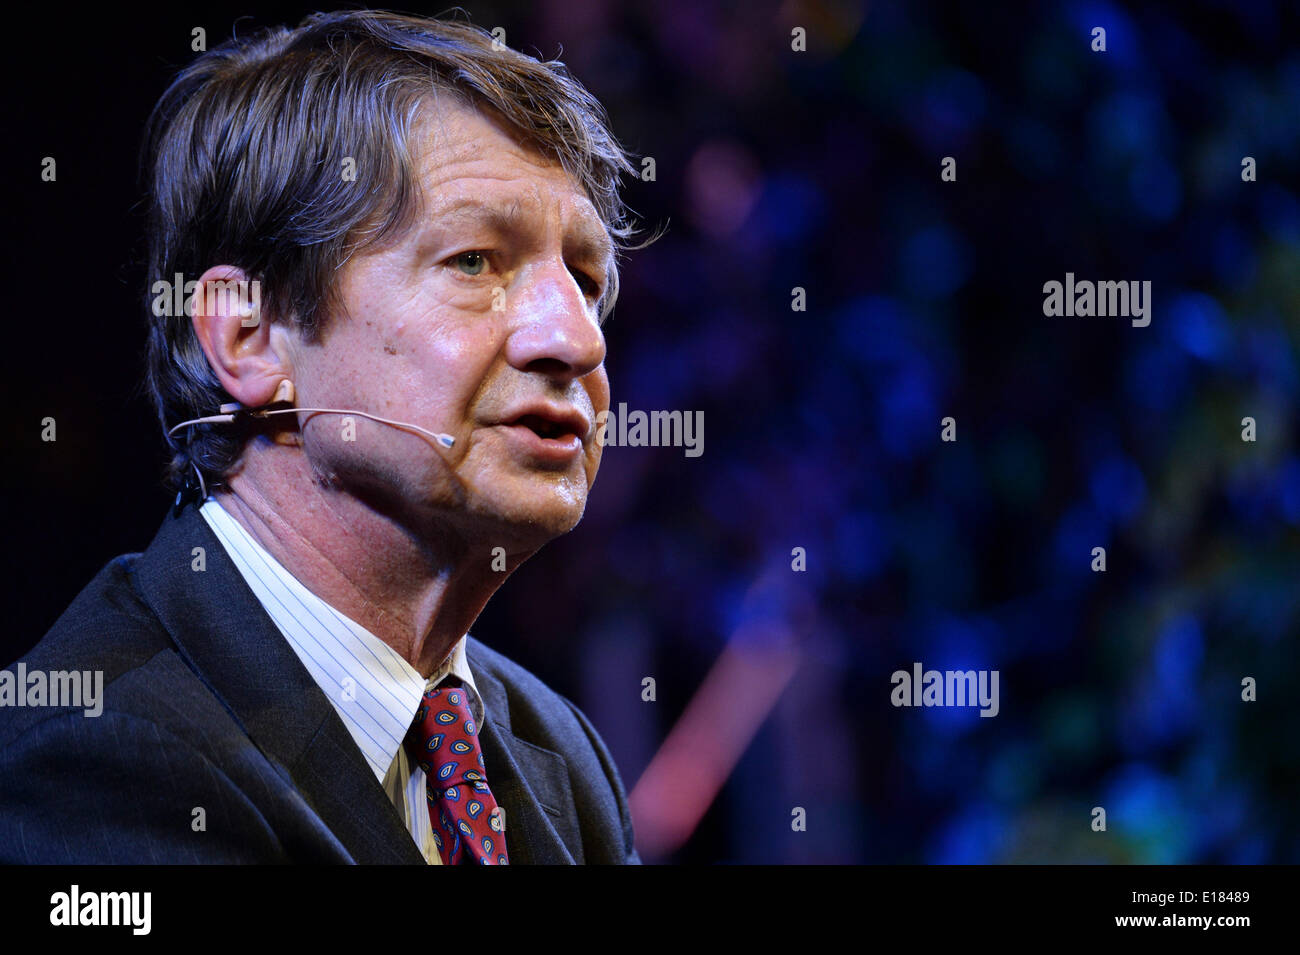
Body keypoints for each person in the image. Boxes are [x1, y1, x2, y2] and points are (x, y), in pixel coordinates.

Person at [0, 10, 650, 864]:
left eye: (586, 277)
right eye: (474, 260)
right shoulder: (102, 753)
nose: (576, 338)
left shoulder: (562, 754)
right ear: (250, 337)